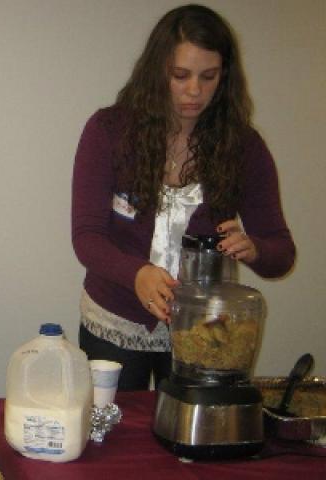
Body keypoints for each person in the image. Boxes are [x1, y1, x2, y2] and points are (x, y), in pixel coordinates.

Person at [71, 4, 295, 391]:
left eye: (208, 77)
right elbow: (87, 237)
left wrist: (255, 248)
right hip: (114, 324)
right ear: (157, 71)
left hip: (205, 331)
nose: (194, 91)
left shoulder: (244, 146)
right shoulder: (108, 130)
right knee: (116, 441)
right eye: (180, 75)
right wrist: (136, 274)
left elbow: (282, 253)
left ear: (224, 77)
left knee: (192, 443)